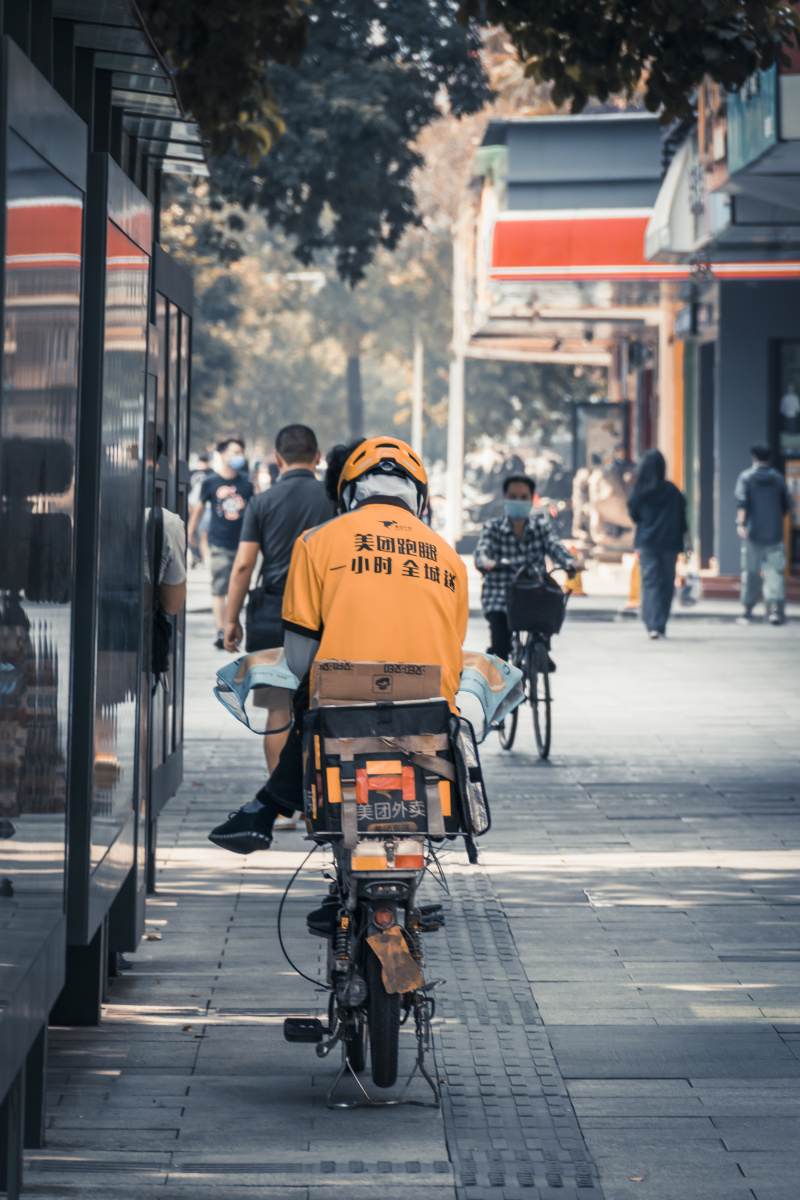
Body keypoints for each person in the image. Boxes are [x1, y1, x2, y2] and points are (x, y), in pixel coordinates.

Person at [209, 435, 468, 854]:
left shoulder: (317, 542)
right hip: (431, 709)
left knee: (307, 699)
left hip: (344, 708)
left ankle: (271, 804)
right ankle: (268, 804)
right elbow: (453, 645)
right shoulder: (449, 557)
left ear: (347, 491)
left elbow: (299, 658)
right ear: (419, 494)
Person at [221, 424, 335, 828]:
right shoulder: (336, 500)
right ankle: (320, 801)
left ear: (278, 458)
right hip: (328, 615)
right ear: (318, 456)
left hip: (274, 611)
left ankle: (283, 802)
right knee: (325, 707)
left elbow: (243, 565)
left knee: (277, 708)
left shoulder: (263, 501)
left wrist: (230, 619)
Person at [474, 474, 577, 665]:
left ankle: (541, 647)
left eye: (523, 497)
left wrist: (570, 563)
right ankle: (500, 675)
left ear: (532, 499)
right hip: (500, 595)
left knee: (552, 604)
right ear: (505, 498)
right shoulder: (492, 528)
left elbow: (555, 547)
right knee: (501, 649)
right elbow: (482, 552)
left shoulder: (541, 528)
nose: (518, 501)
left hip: (533, 593)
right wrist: (486, 562)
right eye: (513, 497)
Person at [187, 437, 254, 649]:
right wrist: (190, 530)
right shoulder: (210, 482)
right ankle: (221, 630)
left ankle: (234, 626)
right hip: (218, 543)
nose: (238, 457)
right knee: (219, 589)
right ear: (222, 455)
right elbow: (199, 508)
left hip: (243, 544)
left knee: (240, 588)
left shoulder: (247, 483)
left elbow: (257, 509)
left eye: (240, 453)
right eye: (234, 452)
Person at [627, 448, 689, 640]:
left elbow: (634, 513)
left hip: (647, 543)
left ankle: (652, 625)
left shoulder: (640, 491)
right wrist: (689, 541)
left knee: (651, 582)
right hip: (670, 544)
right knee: (666, 584)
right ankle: (659, 624)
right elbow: (682, 517)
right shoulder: (672, 490)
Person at [734, 443, 790, 625]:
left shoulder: (746, 478)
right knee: (774, 572)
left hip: (753, 533)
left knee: (750, 573)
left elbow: (742, 503)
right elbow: (786, 506)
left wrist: (741, 523)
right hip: (774, 533)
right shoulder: (779, 479)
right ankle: (774, 609)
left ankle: (747, 610)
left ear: (754, 457)